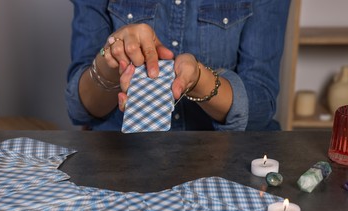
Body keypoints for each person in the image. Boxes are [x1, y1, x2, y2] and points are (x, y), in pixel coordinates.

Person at [66, 0, 291, 131]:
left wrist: (201, 81)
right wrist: (116, 60)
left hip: (223, 157)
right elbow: (80, 108)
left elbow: (262, 103)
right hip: (119, 154)